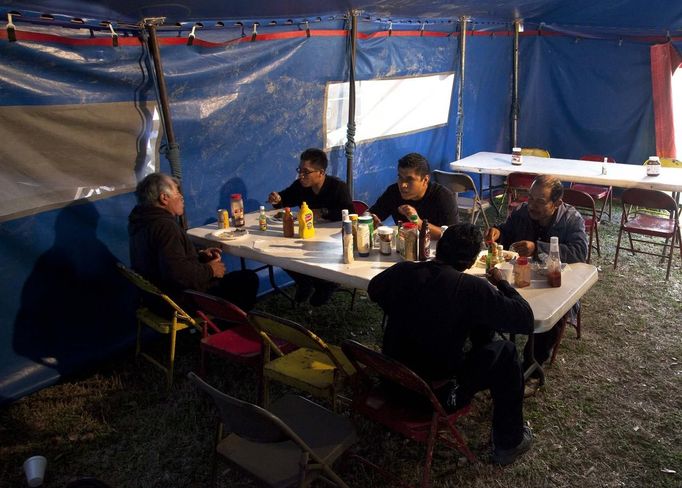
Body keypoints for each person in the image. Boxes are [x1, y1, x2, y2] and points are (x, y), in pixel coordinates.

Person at [368, 223, 534, 465]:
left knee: (477, 327)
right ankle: (510, 441)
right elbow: (525, 319)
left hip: (391, 381)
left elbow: (374, 290)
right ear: (472, 260)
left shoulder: (403, 271)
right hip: (433, 397)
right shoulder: (472, 289)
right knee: (506, 351)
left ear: (440, 246)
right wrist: (501, 283)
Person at [485, 174, 588, 372]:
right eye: (530, 197)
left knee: (553, 312)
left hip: (555, 282)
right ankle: (487, 349)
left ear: (557, 202)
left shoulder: (571, 219)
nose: (531, 204)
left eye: (540, 201)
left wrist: (537, 247)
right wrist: (498, 232)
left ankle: (532, 366)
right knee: (485, 294)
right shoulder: (523, 211)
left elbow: (579, 253)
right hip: (520, 278)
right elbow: (507, 231)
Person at [128, 173, 258, 312]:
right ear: (164, 198)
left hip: (154, 299)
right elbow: (177, 275)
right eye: (177, 192)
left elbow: (165, 260)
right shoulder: (165, 227)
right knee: (248, 279)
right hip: (178, 301)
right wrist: (211, 270)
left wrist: (199, 256)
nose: (181, 197)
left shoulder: (140, 220)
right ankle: (231, 328)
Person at [267, 148, 353, 305]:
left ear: (320, 172)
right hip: (307, 234)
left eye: (306, 172)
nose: (301, 175)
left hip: (331, 239)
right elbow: (284, 198)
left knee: (312, 254)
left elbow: (349, 213)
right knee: (280, 253)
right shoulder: (300, 186)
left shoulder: (338, 187)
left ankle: (326, 284)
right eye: (300, 170)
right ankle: (305, 282)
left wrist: (322, 212)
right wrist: (276, 199)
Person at [369, 152, 458, 240]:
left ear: (425, 180)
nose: (403, 185)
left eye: (409, 180)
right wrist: (370, 221)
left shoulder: (443, 197)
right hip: (402, 249)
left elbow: (452, 235)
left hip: (434, 251)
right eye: (400, 177)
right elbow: (370, 214)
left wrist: (418, 223)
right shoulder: (393, 192)